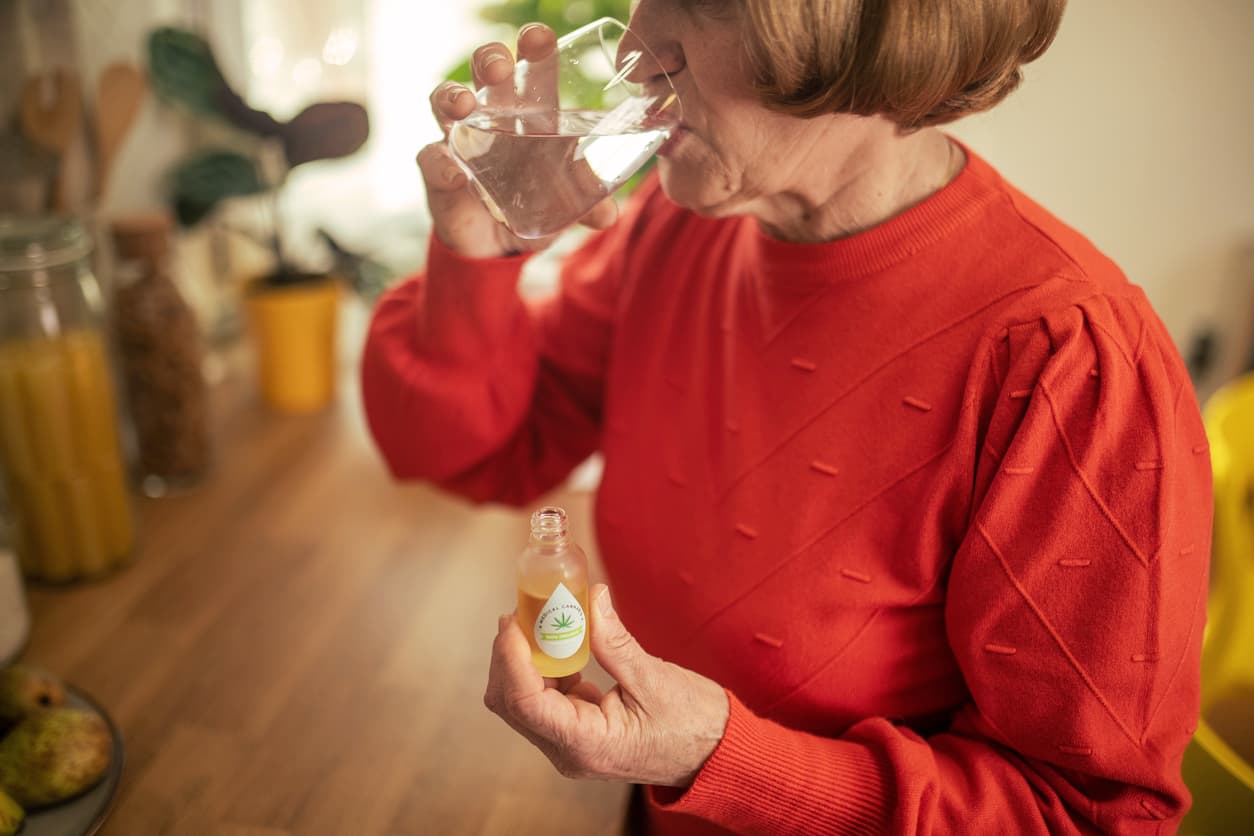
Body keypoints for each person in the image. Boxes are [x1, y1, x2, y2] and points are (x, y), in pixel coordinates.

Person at [362, 1, 1213, 832]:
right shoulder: (676, 225)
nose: (632, 49)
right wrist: (477, 255)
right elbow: (479, 452)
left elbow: (1087, 816)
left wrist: (718, 762)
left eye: (707, 4)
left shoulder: (1068, 358)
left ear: (878, 27)